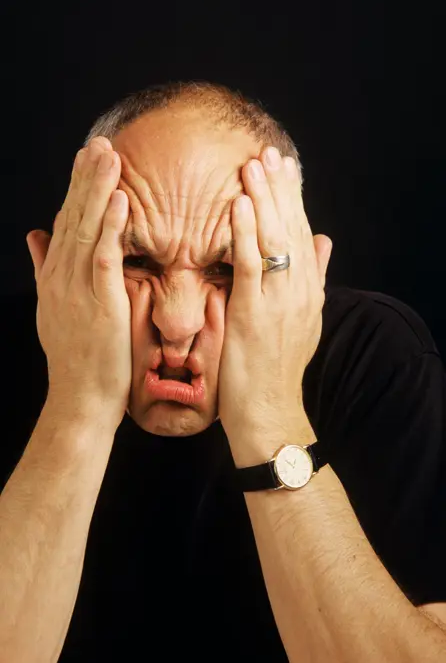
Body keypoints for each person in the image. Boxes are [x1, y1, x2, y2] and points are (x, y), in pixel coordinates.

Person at [1, 81, 445, 662]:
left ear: (304, 278)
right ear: (55, 264)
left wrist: (268, 411)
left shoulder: (377, 357)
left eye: (227, 269)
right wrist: (78, 407)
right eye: (135, 261)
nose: (177, 322)